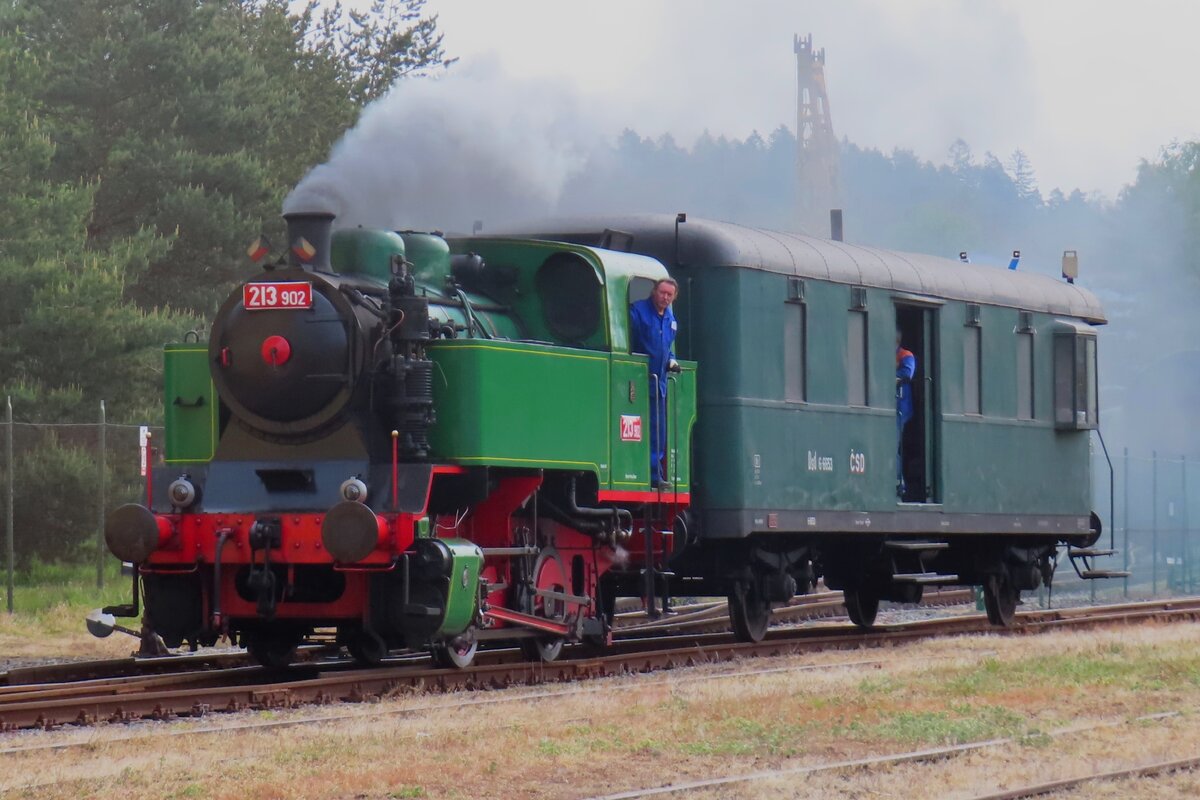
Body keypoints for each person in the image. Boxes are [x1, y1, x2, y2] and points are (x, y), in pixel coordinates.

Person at [629, 278, 680, 490]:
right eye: (662, 293)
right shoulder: (638, 312)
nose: (665, 298)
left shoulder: (670, 317)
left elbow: (666, 345)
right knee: (641, 429)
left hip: (659, 383)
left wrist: (672, 359)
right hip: (639, 380)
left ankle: (656, 474)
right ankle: (645, 473)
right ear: (654, 292)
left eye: (669, 295)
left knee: (658, 431)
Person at [896, 331, 917, 498]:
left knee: (894, 446)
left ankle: (899, 483)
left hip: (901, 407)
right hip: (893, 406)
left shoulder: (906, 355)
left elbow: (907, 373)